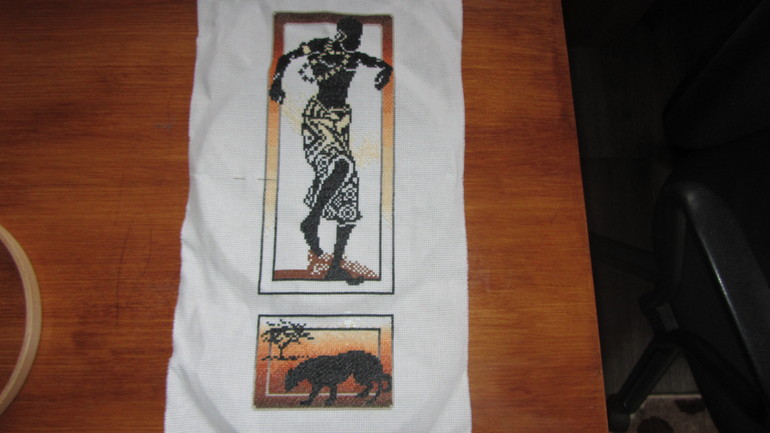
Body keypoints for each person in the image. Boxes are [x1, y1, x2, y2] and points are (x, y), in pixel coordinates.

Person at [269, 16, 392, 285]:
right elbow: (285, 58)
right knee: (342, 165)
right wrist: (277, 83)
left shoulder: (355, 56)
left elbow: (380, 64)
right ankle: (312, 220)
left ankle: (335, 266)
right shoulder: (319, 47)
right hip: (319, 117)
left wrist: (386, 70)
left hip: (341, 121)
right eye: (354, 37)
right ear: (342, 35)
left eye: (359, 38)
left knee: (349, 189)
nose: (358, 42)